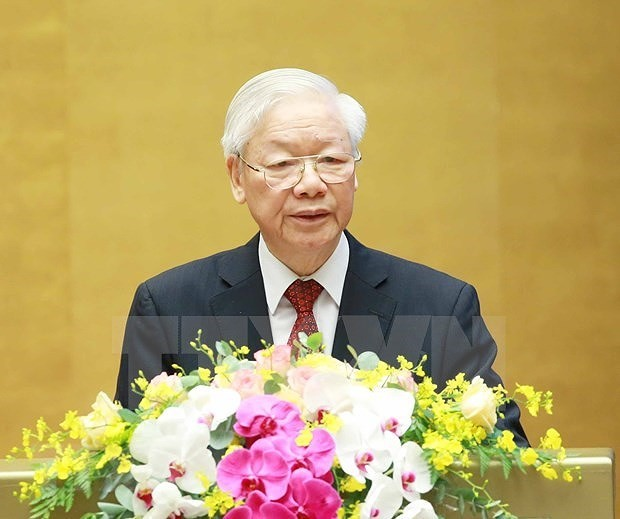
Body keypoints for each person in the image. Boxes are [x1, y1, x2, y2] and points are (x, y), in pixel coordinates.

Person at [114, 68, 527, 444]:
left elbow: (505, 465)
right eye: (282, 163)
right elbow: (131, 471)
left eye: (331, 160)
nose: (311, 184)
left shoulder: (440, 306)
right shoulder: (168, 307)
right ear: (238, 177)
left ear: (355, 170)